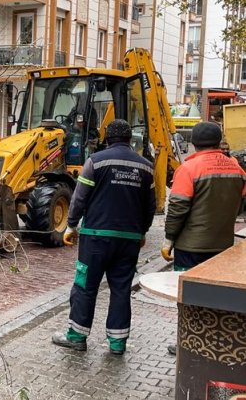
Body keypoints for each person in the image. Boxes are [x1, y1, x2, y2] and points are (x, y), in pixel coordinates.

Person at [52, 119, 155, 355]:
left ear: (107, 138)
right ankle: (118, 343)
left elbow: (80, 197)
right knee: (121, 289)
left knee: (85, 286)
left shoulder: (95, 162)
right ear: (130, 139)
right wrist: (142, 232)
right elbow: (149, 207)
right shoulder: (146, 167)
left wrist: (70, 226)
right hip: (129, 239)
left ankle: (77, 337)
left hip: (96, 237)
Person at [161, 122, 246, 355]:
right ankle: (211, 342)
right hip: (222, 247)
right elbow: (240, 205)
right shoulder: (236, 169)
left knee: (188, 297)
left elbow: (177, 206)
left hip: (191, 246)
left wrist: (169, 239)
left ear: (194, 143)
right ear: (219, 141)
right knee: (216, 298)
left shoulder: (188, 169)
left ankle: (187, 343)